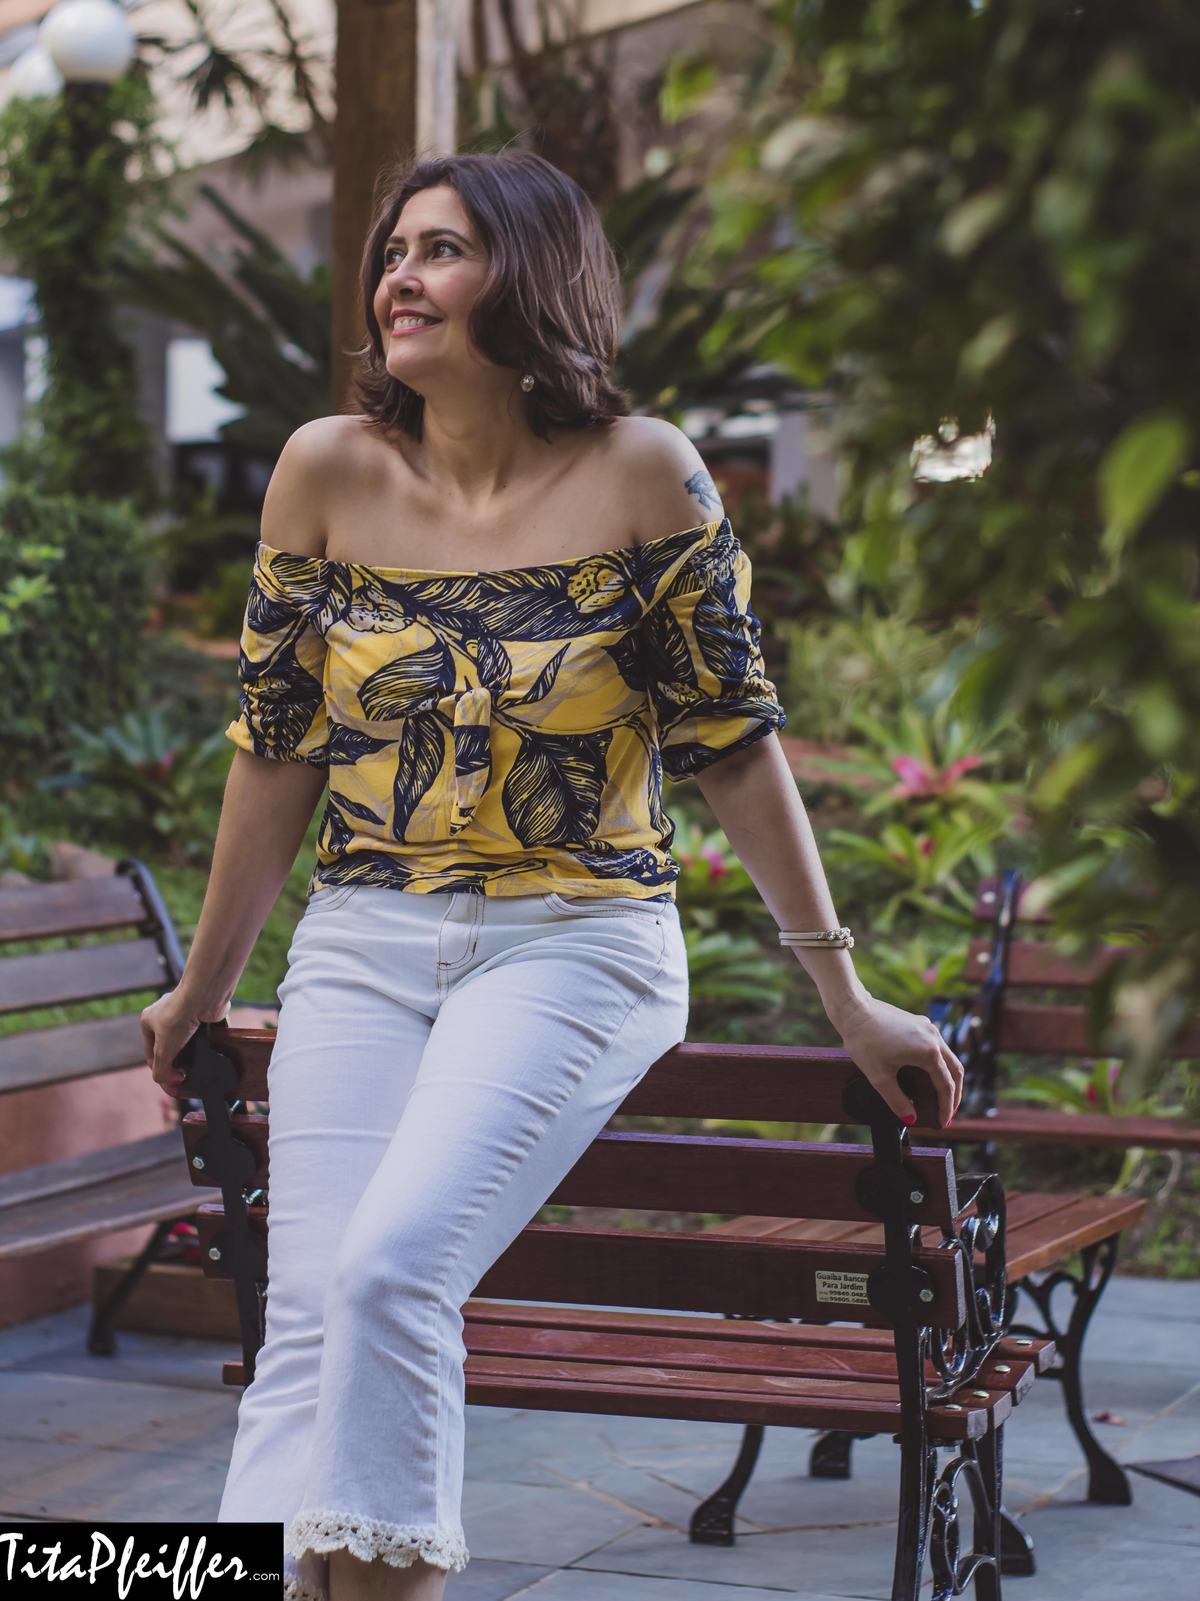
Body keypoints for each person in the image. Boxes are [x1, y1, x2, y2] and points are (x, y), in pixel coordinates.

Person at [140, 147, 963, 1601]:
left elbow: (732, 745)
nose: (399, 279)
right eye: (394, 253)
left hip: (577, 941)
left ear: (528, 277)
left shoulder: (643, 471)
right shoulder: (325, 469)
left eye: (442, 251)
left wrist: (847, 997)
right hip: (364, 937)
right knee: (313, 1324)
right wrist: (203, 988)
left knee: (393, 1271)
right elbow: (274, 751)